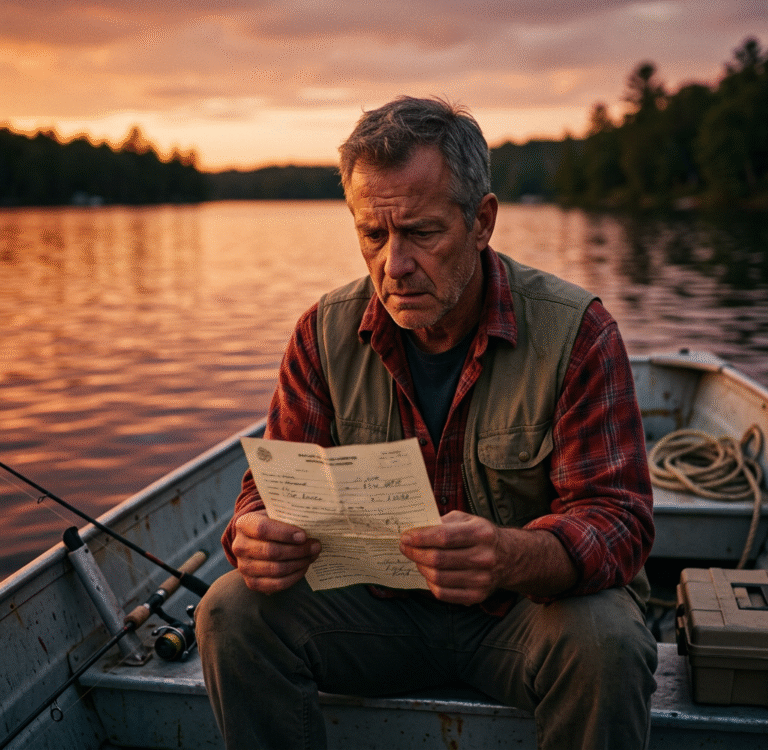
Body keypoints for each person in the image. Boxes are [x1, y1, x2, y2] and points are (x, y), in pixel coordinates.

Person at [195, 96, 658, 750]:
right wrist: (251, 533)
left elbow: (619, 520)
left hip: (524, 619)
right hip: (372, 619)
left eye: (421, 232)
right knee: (231, 611)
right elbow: (275, 483)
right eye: (373, 235)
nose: (394, 264)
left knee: (608, 639)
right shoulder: (320, 334)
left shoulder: (577, 332)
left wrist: (507, 556)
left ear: (482, 221)